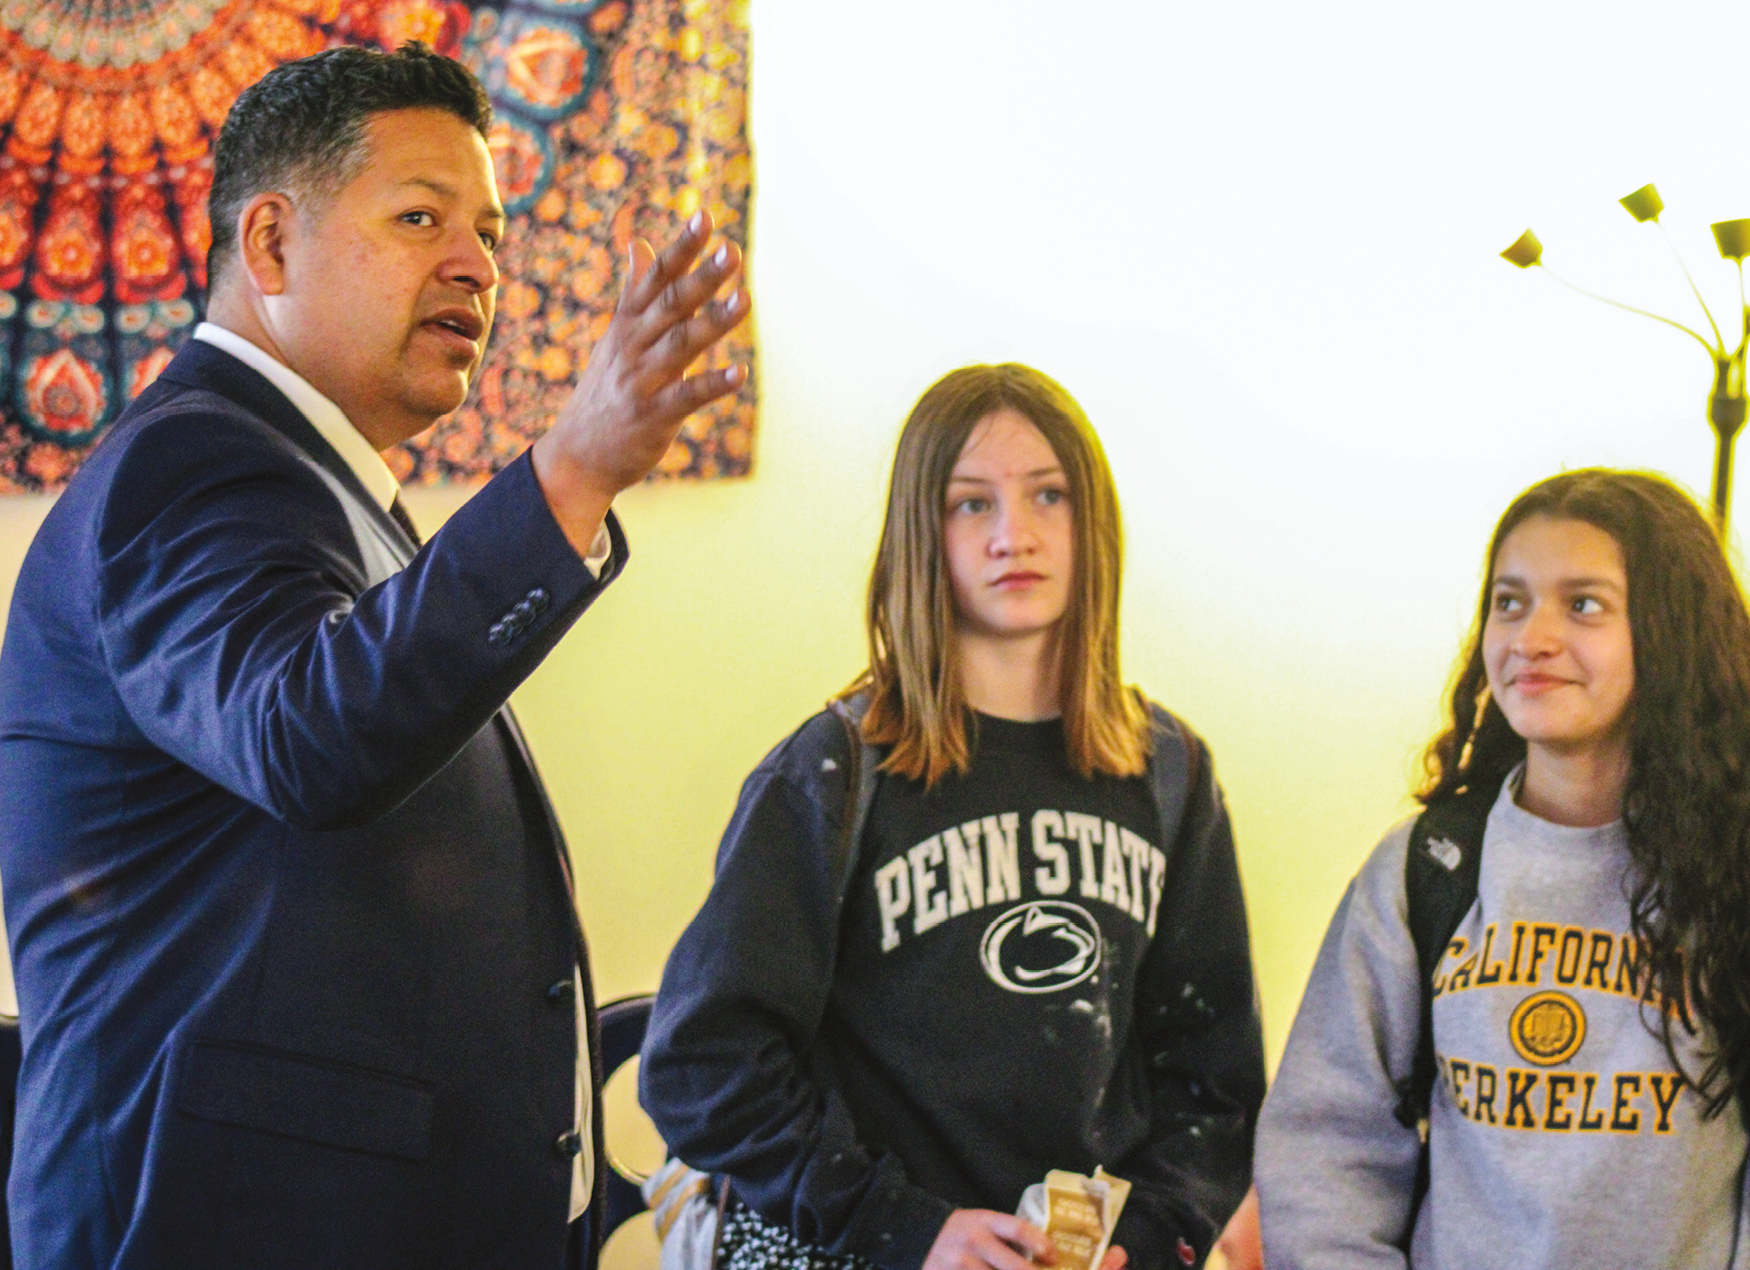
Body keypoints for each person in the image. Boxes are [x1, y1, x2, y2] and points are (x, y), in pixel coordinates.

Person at [0, 42, 747, 1270]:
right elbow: (309, 735)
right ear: (271, 246)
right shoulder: (189, 467)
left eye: (492, 235)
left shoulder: (321, 491)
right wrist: (572, 470)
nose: (477, 264)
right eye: (420, 218)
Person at [639, 364, 1266, 1270]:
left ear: (1094, 522)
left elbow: (1214, 1081)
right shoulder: (834, 772)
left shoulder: (1169, 772)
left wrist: (1145, 1239)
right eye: (972, 504)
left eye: (1048, 494)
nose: (1016, 533)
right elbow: (702, 1064)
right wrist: (905, 1227)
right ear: (918, 534)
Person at [1255, 470, 1750, 1267]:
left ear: (1669, 634)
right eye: (1509, 601)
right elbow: (1325, 1143)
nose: (1532, 637)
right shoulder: (1427, 868)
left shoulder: (1731, 876)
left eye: (1583, 603)